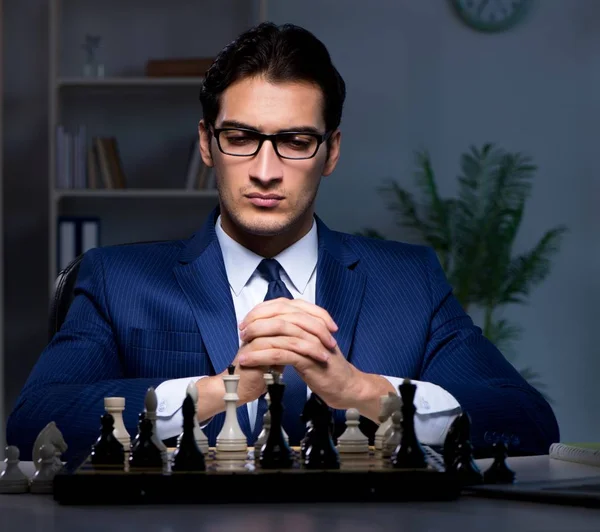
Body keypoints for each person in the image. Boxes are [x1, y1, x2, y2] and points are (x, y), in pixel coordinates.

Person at [7, 22, 559, 461]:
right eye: (241, 138)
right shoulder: (116, 278)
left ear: (331, 151)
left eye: (295, 141)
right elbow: (35, 421)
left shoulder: (408, 280)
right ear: (207, 144)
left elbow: (527, 422)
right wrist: (214, 390)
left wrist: (363, 391)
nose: (265, 170)